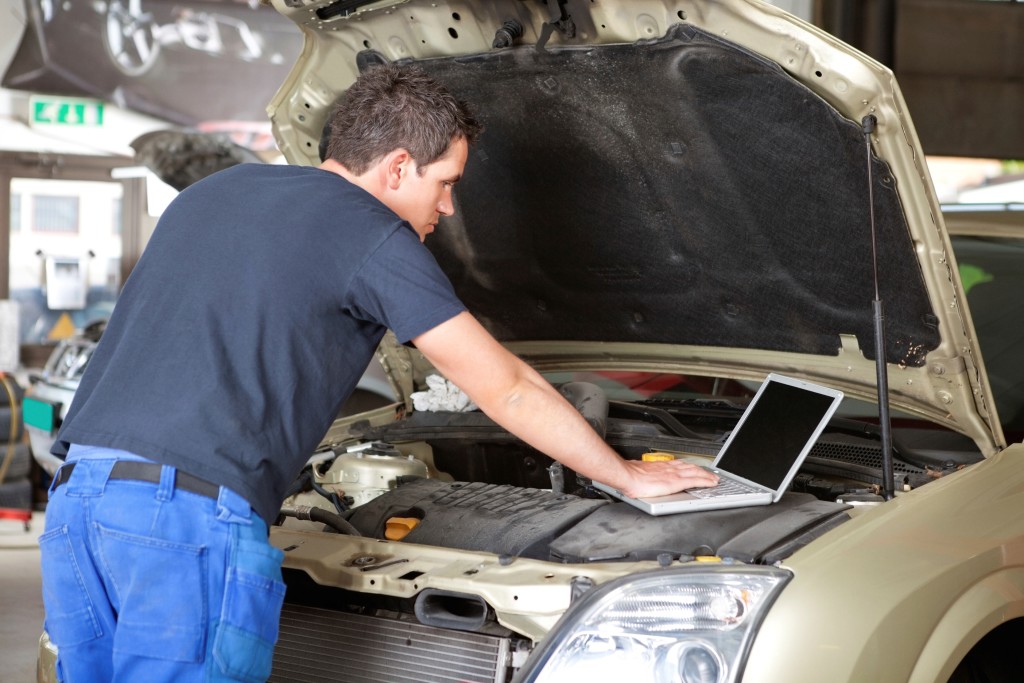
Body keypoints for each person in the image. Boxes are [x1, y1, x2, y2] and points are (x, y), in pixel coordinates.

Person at [39, 64, 718, 682]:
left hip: (79, 500)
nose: (448, 209)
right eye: (446, 182)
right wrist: (622, 472)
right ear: (397, 168)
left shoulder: (214, 193)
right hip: (183, 520)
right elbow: (503, 384)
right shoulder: (370, 232)